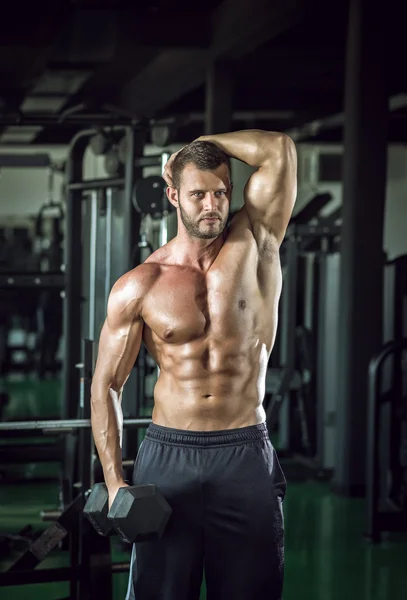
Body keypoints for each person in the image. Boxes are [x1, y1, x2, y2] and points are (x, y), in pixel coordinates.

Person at [90, 129, 297, 600]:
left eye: (221, 192)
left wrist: (200, 141)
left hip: (243, 451)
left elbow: (278, 149)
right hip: (169, 457)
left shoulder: (258, 241)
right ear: (173, 196)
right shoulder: (140, 284)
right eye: (198, 194)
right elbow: (105, 386)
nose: (211, 205)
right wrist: (115, 480)